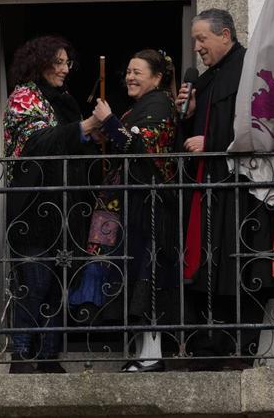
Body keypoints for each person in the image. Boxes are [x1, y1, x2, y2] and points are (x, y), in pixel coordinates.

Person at [175, 9, 274, 369]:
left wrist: (214, 141)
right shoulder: (205, 80)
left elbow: (266, 127)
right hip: (209, 192)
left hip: (243, 193)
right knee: (209, 272)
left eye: (202, 38)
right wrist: (186, 115)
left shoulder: (253, 70)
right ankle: (210, 348)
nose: (197, 47)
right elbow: (187, 144)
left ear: (225, 35)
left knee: (242, 270)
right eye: (194, 40)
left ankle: (240, 350)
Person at [73, 49, 178, 372]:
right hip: (133, 205)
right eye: (128, 71)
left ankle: (151, 356)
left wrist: (109, 120)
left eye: (138, 72)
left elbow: (141, 148)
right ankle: (142, 353)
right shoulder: (143, 106)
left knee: (148, 277)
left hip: (149, 206)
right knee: (135, 277)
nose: (130, 77)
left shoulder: (158, 104)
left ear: (157, 78)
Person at [2, 35, 101, 373]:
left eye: (66, 62)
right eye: (57, 62)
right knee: (35, 280)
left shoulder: (66, 100)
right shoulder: (23, 97)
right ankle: (21, 356)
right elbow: (37, 143)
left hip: (68, 205)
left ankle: (48, 356)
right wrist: (84, 127)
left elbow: (77, 147)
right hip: (33, 205)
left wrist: (93, 136)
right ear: (39, 63)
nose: (64, 69)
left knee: (61, 281)